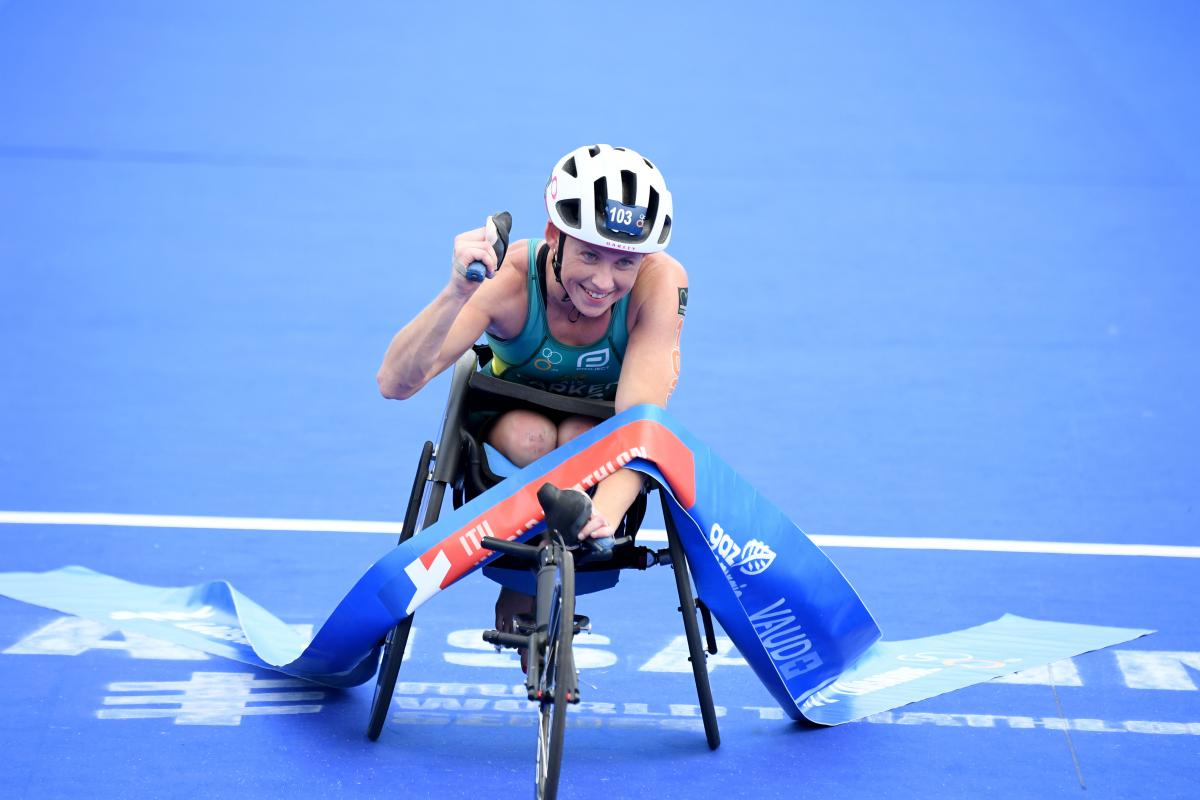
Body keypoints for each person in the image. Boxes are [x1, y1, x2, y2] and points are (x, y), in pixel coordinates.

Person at [376, 143, 687, 641]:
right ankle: (521, 581)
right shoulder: (513, 279)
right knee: (537, 436)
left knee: (579, 433)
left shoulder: (661, 283)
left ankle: (548, 580)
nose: (604, 282)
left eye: (625, 263)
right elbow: (394, 383)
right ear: (553, 236)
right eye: (589, 254)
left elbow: (639, 422)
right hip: (508, 425)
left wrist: (602, 518)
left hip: (602, 440)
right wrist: (458, 290)